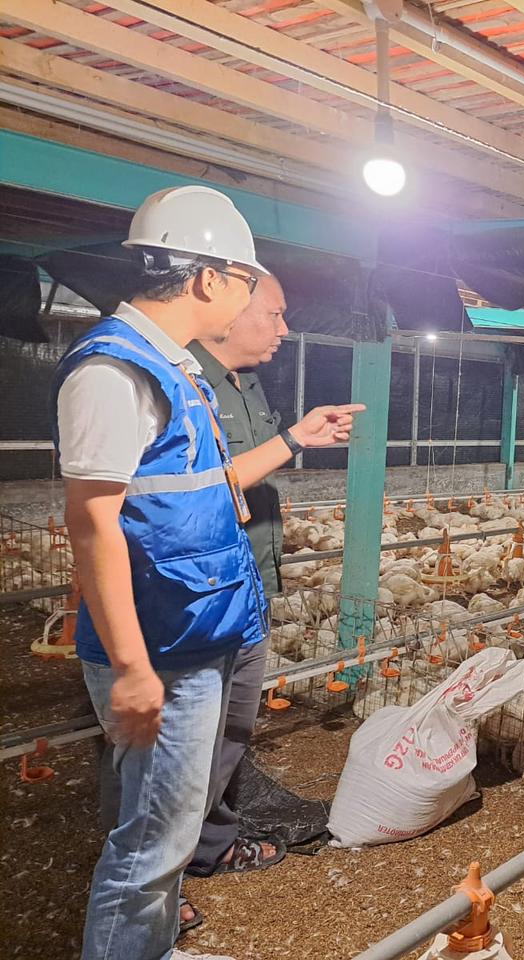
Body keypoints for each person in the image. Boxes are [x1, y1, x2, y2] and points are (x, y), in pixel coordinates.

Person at [54, 184, 362, 960]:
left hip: (202, 628)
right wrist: (128, 667)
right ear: (207, 280)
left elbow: (204, 490)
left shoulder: (172, 368)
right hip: (164, 644)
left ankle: (150, 947)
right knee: (151, 844)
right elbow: (91, 522)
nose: (252, 299)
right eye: (242, 278)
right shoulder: (114, 371)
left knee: (171, 829)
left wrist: (292, 440)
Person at [177, 276, 291, 930]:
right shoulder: (184, 382)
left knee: (227, 729)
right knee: (176, 739)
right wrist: (296, 438)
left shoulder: (247, 385)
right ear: (229, 311)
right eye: (273, 314)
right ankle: (153, 877)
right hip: (198, 592)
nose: (282, 329)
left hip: (246, 577)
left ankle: (208, 843)